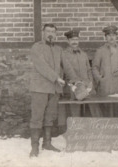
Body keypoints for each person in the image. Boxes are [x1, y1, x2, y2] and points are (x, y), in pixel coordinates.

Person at [29, 23, 78, 157]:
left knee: (50, 117)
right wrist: (56, 78)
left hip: (55, 89)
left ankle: (47, 142)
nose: (50, 34)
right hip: (39, 88)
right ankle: (34, 147)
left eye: (53, 32)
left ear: (55, 34)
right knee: (37, 117)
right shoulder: (37, 47)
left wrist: (75, 80)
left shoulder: (58, 49)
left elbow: (67, 66)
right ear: (43, 33)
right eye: (48, 31)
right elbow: (41, 66)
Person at [61, 29, 102, 118]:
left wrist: (91, 85)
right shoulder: (63, 55)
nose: (74, 42)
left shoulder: (83, 54)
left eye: (76, 39)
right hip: (72, 88)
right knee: (74, 112)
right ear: (68, 41)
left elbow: (89, 70)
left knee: (92, 111)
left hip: (87, 87)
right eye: (72, 40)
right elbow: (62, 72)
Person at [92, 25, 118, 117]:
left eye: (113, 35)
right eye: (109, 35)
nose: (111, 37)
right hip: (106, 87)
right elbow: (94, 67)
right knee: (106, 112)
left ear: (116, 36)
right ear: (105, 37)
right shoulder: (100, 51)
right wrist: (100, 79)